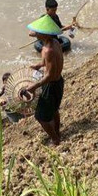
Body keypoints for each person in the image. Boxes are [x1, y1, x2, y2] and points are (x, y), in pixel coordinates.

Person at [21, 16, 65, 146]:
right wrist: (39, 65)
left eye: (38, 32)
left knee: (40, 116)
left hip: (51, 85)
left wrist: (34, 86)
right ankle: (57, 132)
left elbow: (49, 75)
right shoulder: (55, 43)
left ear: (44, 34)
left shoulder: (48, 50)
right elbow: (50, 63)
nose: (35, 34)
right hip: (59, 81)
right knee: (54, 109)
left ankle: (55, 139)